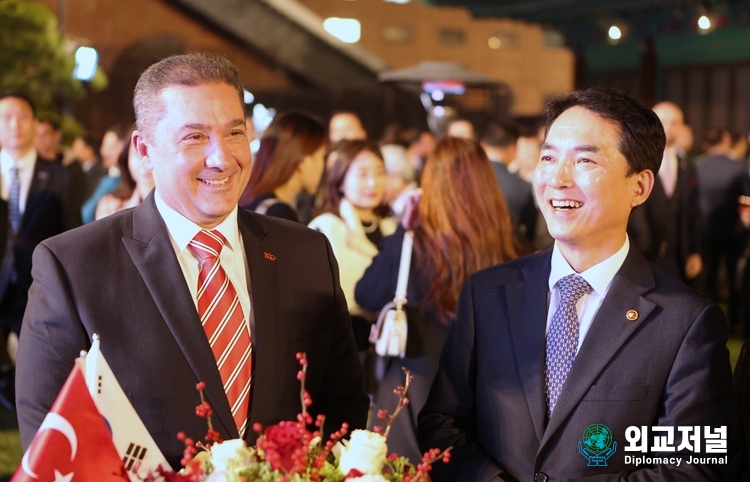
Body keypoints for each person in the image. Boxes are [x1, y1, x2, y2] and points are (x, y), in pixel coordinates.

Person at [16, 53, 369, 468]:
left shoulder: (306, 253)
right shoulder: (72, 267)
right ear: (144, 149)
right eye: (194, 137)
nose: (222, 157)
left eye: (235, 132)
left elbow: (341, 409)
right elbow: (54, 446)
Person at [418, 87, 732, 481]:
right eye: (548, 157)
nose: (558, 178)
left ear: (640, 186)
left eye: (584, 160)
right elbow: (442, 421)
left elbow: (691, 469)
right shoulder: (488, 293)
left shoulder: (685, 321)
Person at [355, 137, 517, 462]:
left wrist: (405, 227)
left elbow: (366, 294)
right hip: (484, 394)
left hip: (410, 391)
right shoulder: (507, 244)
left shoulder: (411, 240)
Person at [0, 92, 78, 409]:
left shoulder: (60, 176)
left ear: (35, 124)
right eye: (6, 118)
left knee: (38, 362)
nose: (15, 124)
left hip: (37, 282)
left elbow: (70, 232)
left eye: (23, 116)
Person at [309, 140, 396, 344]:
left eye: (379, 173)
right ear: (340, 181)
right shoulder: (326, 229)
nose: (373, 183)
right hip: (345, 345)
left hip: (389, 349)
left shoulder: (392, 229)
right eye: (363, 174)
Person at [627, 101, 702, 283]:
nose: (668, 127)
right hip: (642, 251)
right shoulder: (636, 160)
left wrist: (695, 251)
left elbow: (694, 211)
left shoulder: (687, 165)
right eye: (663, 121)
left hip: (678, 255)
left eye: (675, 122)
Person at [238, 111, 326, 222]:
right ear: (303, 161)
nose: (323, 165)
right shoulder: (281, 215)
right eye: (321, 157)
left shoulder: (252, 201)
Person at [481, 122, 537, 252]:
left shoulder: (464, 179)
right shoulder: (522, 187)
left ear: (483, 144)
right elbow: (531, 233)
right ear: (512, 149)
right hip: (508, 256)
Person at [95, 126, 155, 219]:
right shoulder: (112, 208)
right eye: (137, 155)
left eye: (152, 154)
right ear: (127, 160)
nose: (145, 163)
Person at [80, 123, 130, 223]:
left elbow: (87, 213)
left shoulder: (113, 181)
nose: (104, 151)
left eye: (111, 146)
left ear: (126, 146)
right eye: (104, 146)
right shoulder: (105, 176)